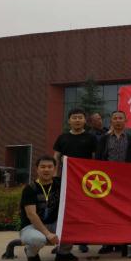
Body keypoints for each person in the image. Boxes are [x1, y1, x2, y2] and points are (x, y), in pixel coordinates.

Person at [95, 110, 131, 258]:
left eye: (120, 118)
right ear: (111, 121)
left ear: (125, 121)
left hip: (126, 182)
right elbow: (99, 160)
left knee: (127, 212)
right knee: (107, 212)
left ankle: (128, 242)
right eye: (115, 118)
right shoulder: (104, 139)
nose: (118, 120)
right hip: (107, 181)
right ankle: (108, 243)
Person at [53, 107, 97, 253]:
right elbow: (56, 157)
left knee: (84, 209)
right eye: (74, 118)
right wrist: (55, 176)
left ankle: (83, 240)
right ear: (69, 121)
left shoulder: (91, 138)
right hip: (66, 181)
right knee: (65, 210)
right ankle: (61, 241)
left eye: (80, 117)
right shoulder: (62, 138)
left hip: (85, 181)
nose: (77, 120)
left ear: (85, 120)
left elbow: (95, 159)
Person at [19, 156, 77, 261]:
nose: (46, 169)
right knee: (37, 240)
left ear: (55, 169)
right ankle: (31, 253)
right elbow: (31, 215)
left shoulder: (60, 184)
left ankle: (63, 253)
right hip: (32, 226)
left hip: (53, 223)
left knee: (72, 226)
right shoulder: (30, 189)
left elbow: (78, 180)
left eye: (50, 167)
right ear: (37, 169)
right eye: (43, 167)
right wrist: (47, 234)